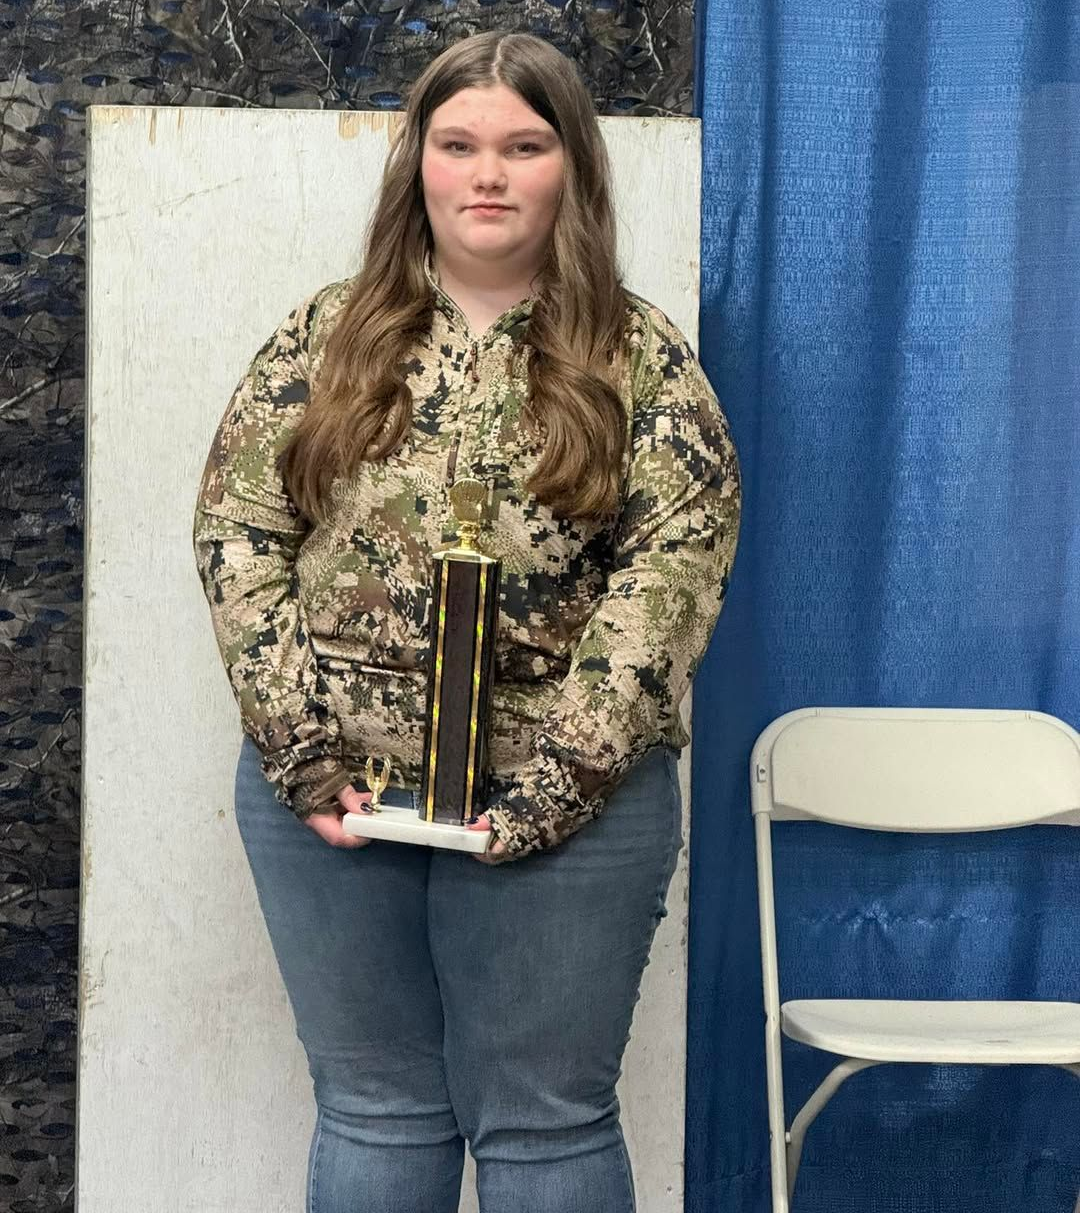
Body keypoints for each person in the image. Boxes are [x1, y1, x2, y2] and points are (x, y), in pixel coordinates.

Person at [191, 29, 740, 1213]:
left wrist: (561, 784)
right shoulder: (327, 338)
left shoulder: (641, 361)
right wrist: (303, 753)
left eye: (524, 145)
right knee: (378, 1112)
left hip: (566, 811)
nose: (488, 174)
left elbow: (673, 568)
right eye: (459, 144)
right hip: (335, 798)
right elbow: (238, 533)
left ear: (572, 170)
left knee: (544, 1125)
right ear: (419, 166)